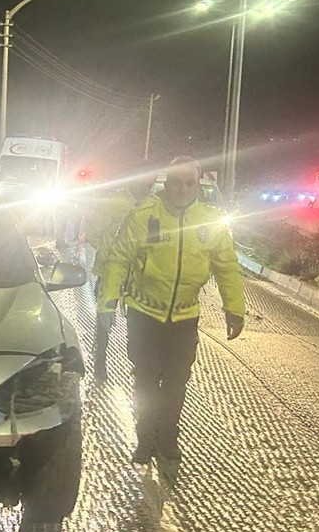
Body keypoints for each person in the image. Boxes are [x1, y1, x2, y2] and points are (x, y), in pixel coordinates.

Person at [96, 156, 246, 465]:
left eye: (190, 183)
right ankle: (144, 437)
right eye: (176, 182)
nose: (182, 189)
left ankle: (167, 437)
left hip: (184, 316)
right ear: (166, 183)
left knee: (177, 381)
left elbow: (228, 268)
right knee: (146, 379)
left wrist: (234, 309)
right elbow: (119, 259)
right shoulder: (144, 215)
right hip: (144, 313)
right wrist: (108, 301)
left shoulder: (209, 221)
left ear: (198, 184)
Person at [84, 168, 156, 382]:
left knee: (139, 322)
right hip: (110, 272)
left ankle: (140, 364)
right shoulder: (112, 202)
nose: (145, 189)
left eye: (149, 186)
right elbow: (93, 232)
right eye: (142, 184)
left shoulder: (155, 206)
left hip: (140, 275)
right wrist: (109, 252)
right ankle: (100, 362)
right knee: (105, 318)